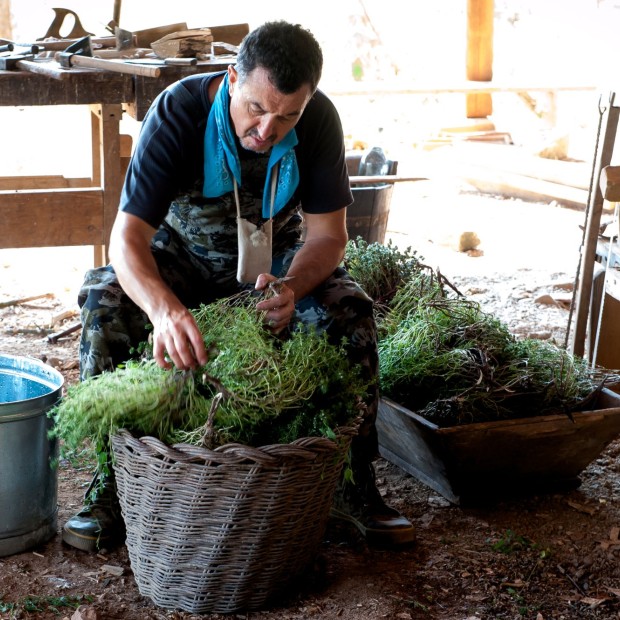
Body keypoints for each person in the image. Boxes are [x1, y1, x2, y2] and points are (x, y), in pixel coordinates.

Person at [63, 20, 414, 552]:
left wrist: (293, 287)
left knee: (351, 310)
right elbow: (126, 240)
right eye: (256, 109)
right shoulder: (179, 112)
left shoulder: (319, 121)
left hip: (273, 267)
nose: (268, 129)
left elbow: (328, 236)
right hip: (183, 256)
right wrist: (164, 311)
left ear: (309, 100)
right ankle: (111, 485)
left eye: (287, 115)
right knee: (105, 298)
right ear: (231, 78)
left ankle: (353, 485)